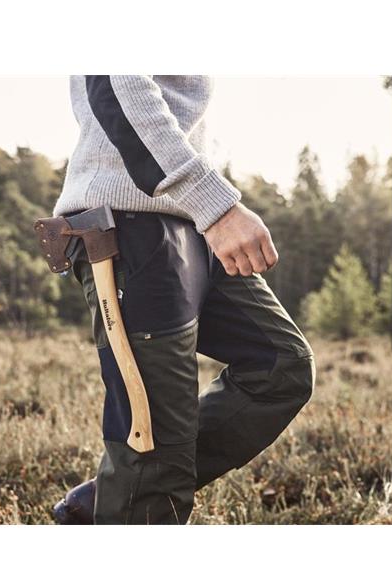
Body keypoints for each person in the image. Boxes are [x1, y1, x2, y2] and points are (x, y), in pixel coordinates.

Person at [51, 75, 316, 525]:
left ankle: (125, 489)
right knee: (154, 448)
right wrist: (218, 207)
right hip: (127, 229)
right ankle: (137, 489)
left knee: (281, 367)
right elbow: (116, 84)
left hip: (190, 225)